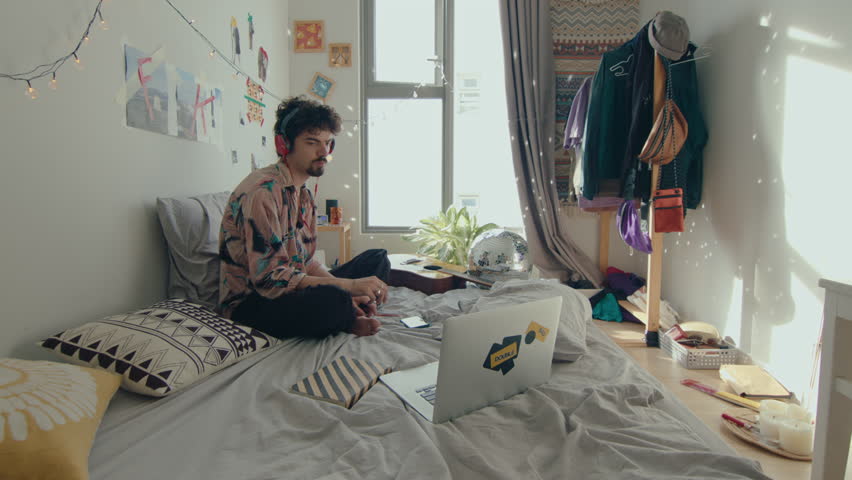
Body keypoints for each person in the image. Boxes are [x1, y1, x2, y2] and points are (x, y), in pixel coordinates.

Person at [218, 96, 390, 339]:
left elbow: (305, 262)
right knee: (332, 301)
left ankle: (349, 308)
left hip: (291, 288)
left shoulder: (305, 196)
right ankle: (346, 318)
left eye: (328, 143)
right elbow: (270, 280)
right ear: (283, 144)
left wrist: (349, 292)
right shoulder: (262, 193)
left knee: (378, 259)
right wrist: (348, 288)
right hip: (253, 302)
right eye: (312, 142)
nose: (324, 152)